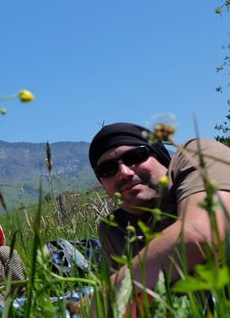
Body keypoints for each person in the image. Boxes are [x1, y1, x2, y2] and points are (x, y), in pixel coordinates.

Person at [88, 122, 230, 294]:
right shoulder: (113, 230)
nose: (124, 172)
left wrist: (98, 301)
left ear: (160, 156)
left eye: (135, 156)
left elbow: (200, 235)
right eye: (107, 169)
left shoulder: (195, 154)